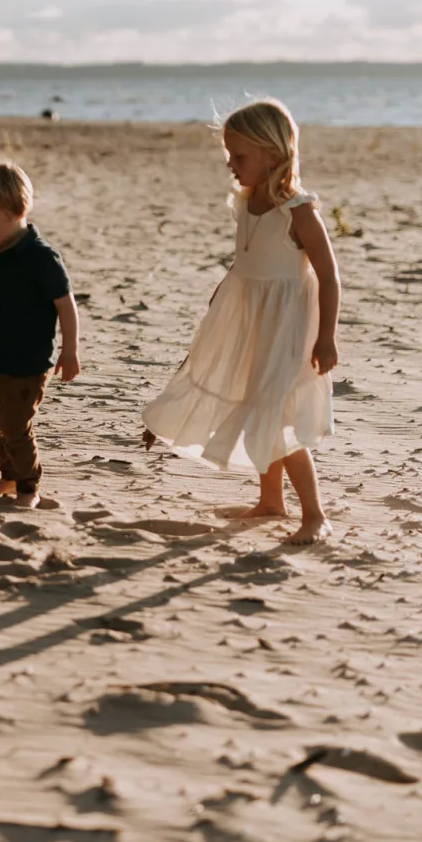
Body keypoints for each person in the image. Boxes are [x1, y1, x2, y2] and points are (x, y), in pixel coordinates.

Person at [141, 99, 341, 544]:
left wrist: (326, 337)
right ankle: (271, 502)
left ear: (273, 152)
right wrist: (218, 309)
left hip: (289, 327)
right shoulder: (246, 202)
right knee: (256, 405)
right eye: (228, 156)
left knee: (277, 413)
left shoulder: (299, 210)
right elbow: (242, 265)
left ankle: (315, 515)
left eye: (241, 157)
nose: (232, 165)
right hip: (249, 317)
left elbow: (328, 275)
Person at [0, 161, 80, 508]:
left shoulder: (41, 258)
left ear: (16, 212)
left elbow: (67, 306)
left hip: (27, 364)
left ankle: (29, 487)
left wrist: (69, 351)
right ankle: (10, 474)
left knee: (15, 429)